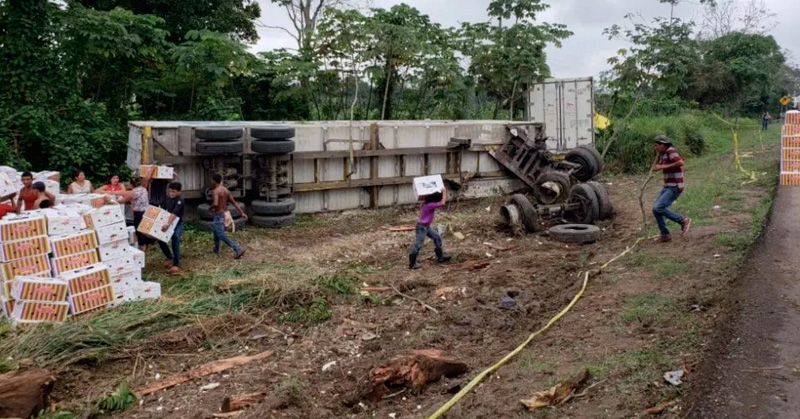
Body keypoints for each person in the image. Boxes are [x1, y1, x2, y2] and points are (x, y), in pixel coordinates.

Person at [652, 135, 691, 243]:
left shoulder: (671, 151)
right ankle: (665, 235)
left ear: (663, 145)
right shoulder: (663, 154)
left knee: (658, 208)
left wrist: (662, 167)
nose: (655, 148)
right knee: (655, 210)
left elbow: (680, 162)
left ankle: (682, 220)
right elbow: (658, 167)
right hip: (668, 185)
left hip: (675, 186)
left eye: (656, 145)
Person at [408, 187, 452, 269]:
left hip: (426, 226)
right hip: (422, 227)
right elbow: (443, 202)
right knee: (418, 244)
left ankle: (440, 257)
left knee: (437, 237)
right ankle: (412, 263)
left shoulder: (426, 203)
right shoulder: (430, 205)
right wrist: (444, 192)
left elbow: (426, 196)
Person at [210, 174, 247, 259]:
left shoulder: (216, 191)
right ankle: (216, 250)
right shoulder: (225, 190)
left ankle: (238, 248)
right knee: (216, 232)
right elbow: (234, 202)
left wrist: (210, 208)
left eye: (211, 180)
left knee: (221, 234)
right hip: (224, 213)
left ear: (214, 181)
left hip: (218, 214)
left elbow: (215, 203)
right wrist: (241, 213)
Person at [159, 182, 185, 274]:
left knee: (175, 238)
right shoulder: (168, 199)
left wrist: (167, 224)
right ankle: (169, 257)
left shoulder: (180, 200)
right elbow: (162, 210)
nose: (171, 193)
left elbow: (175, 213)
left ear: (179, 191)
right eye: (170, 191)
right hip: (168, 222)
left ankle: (176, 264)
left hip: (177, 224)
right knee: (160, 238)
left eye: (174, 192)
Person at [131, 176, 153, 251]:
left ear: (132, 184)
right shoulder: (144, 189)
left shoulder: (134, 191)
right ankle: (148, 245)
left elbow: (127, 198)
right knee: (146, 229)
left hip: (138, 212)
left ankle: (142, 247)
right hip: (146, 211)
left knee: (139, 230)